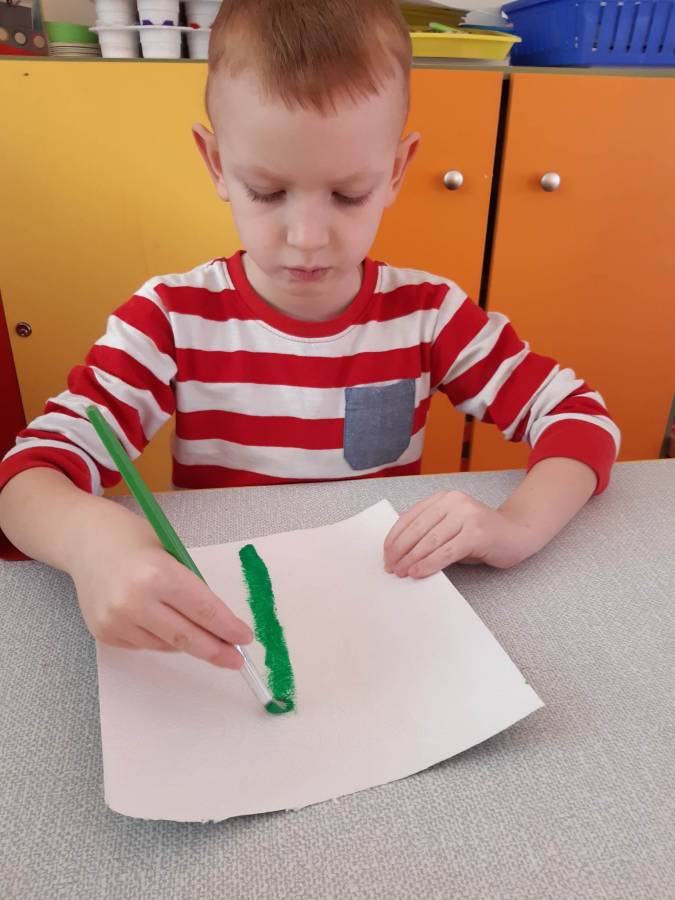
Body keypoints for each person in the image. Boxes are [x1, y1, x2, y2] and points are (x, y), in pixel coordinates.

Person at [0, 0, 619, 670]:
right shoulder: (170, 319)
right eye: (267, 192)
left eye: (348, 195)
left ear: (395, 171)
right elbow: (27, 478)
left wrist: (515, 527)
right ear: (216, 163)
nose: (307, 238)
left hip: (376, 616)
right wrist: (92, 541)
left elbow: (578, 416)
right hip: (233, 615)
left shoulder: (430, 314)